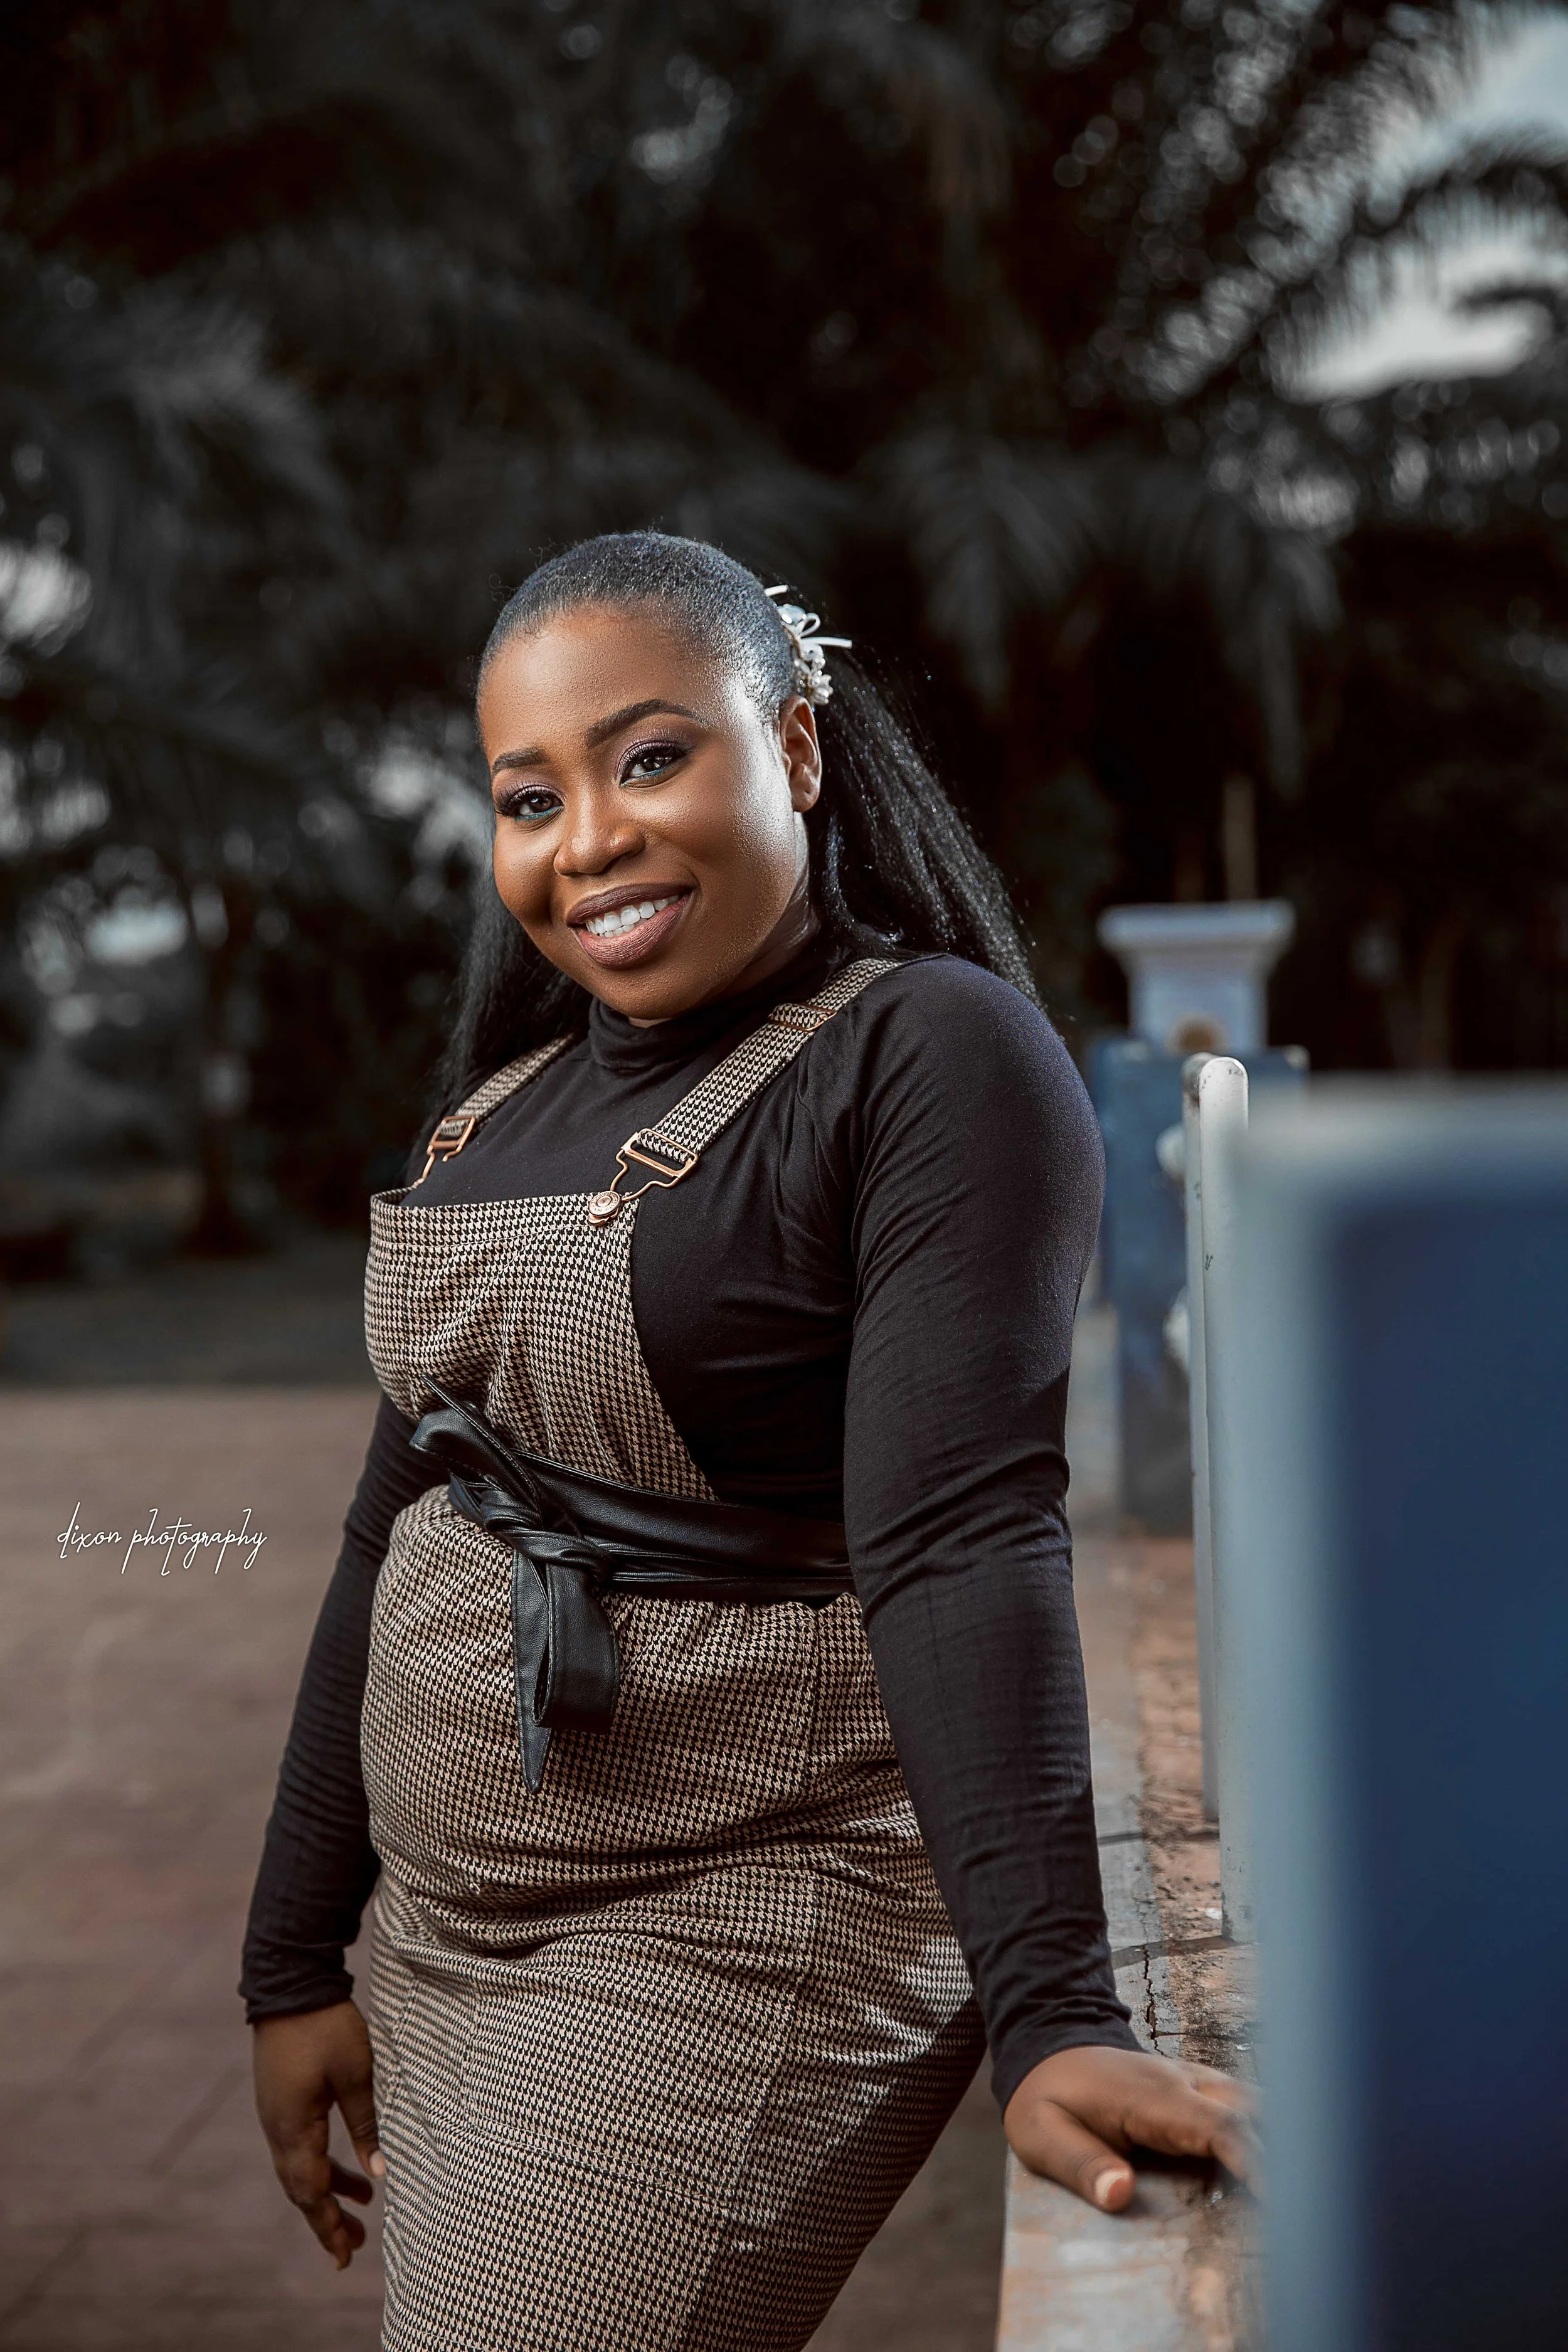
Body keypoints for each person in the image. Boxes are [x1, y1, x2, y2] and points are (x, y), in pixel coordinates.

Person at [241, 532, 1254, 2351]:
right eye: (529, 797)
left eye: (650, 759)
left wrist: (1052, 2016)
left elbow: (960, 1536)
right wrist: (293, 1954)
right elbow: (396, 1523)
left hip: (738, 1918)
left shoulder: (929, 1058)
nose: (588, 841)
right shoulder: (499, 1110)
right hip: (453, 1933)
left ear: (792, 745)